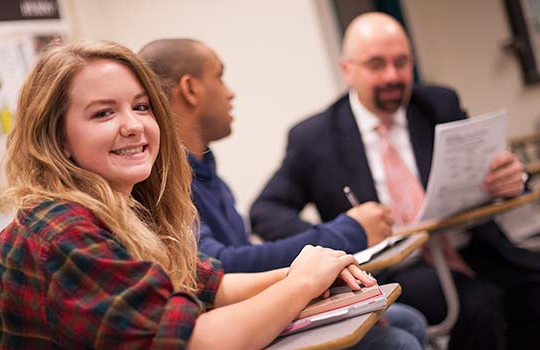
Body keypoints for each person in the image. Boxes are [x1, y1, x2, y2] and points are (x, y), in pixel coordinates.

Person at [0, 41, 379, 349]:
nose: (134, 125)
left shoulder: (122, 208)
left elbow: (207, 285)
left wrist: (305, 272)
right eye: (104, 113)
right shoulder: (63, 227)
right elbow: (193, 343)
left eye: (141, 107)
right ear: (58, 137)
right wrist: (302, 283)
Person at [250, 13, 540, 350]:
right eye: (376, 65)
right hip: (396, 268)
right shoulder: (314, 137)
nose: (392, 76)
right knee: (480, 305)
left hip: (471, 246)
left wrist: (514, 177)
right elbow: (266, 210)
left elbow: (495, 166)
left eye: (402, 63)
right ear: (347, 70)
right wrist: (336, 238)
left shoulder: (438, 104)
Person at [139, 38, 427, 349]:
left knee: (406, 320)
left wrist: (318, 279)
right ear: (190, 89)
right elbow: (221, 267)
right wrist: (345, 234)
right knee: (397, 340)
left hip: (246, 307)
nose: (230, 92)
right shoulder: (167, 183)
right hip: (231, 325)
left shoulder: (206, 172)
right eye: (220, 76)